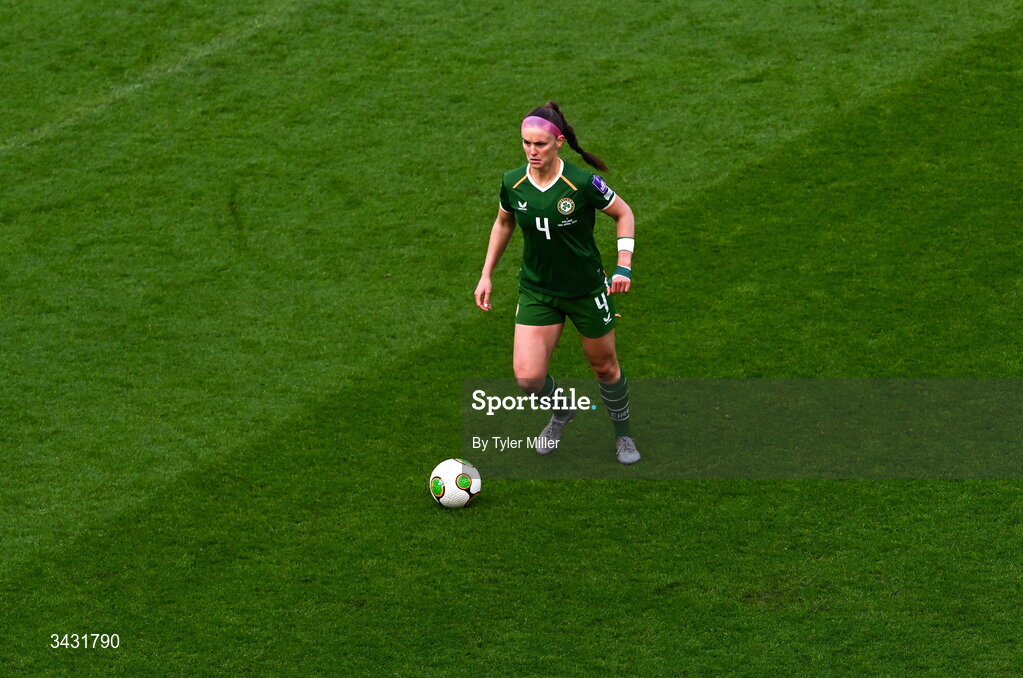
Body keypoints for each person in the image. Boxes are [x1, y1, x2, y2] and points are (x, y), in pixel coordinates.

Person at [474, 101, 639, 464]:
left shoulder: (580, 183)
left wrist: (623, 265)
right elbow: (504, 222)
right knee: (528, 379)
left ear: (558, 142)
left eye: (540, 144)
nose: (532, 151)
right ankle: (562, 411)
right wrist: (486, 274)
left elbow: (623, 213)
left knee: (605, 368)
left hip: (585, 290)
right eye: (526, 143)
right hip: (538, 291)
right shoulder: (513, 182)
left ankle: (623, 435)